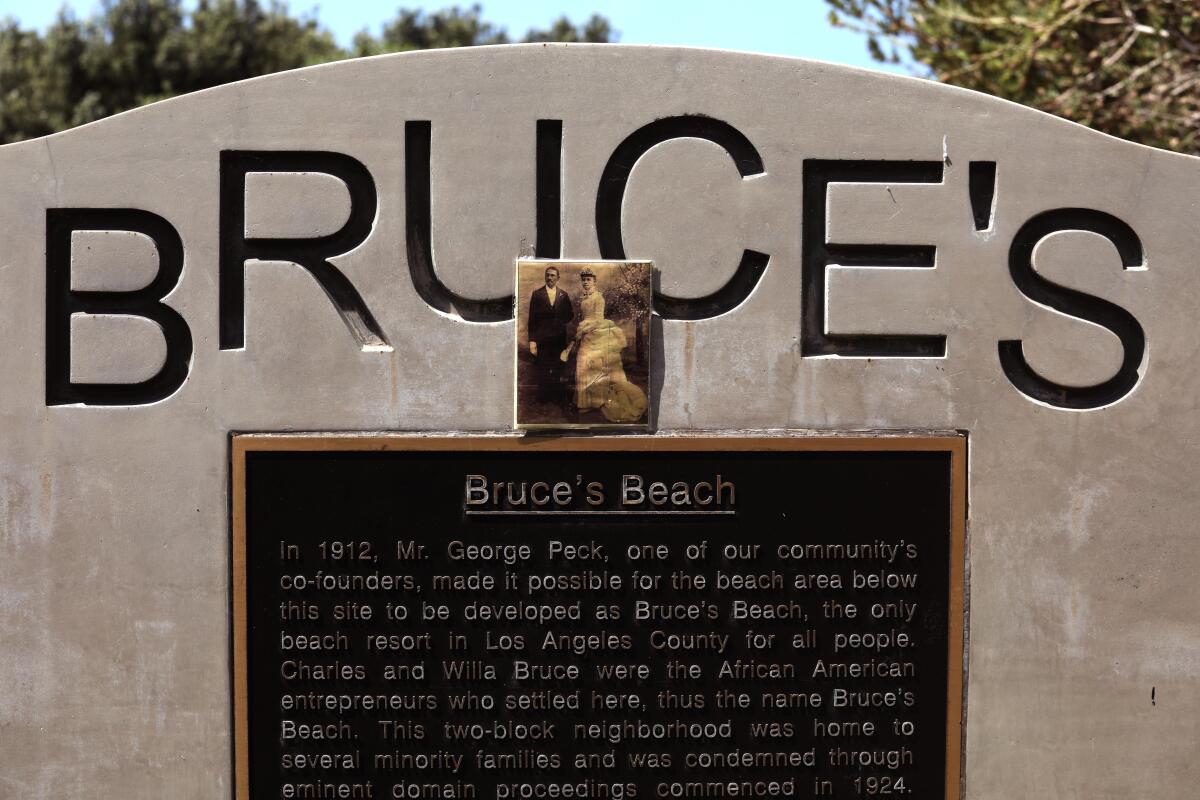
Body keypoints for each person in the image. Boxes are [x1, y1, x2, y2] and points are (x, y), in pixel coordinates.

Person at [562, 268, 630, 413]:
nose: (585, 282)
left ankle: (596, 402)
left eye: (588, 280)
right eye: (584, 280)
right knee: (583, 366)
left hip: (596, 334)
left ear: (594, 281)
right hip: (586, 335)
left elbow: (598, 320)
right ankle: (585, 403)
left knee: (594, 367)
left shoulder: (598, 298)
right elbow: (584, 318)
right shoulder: (584, 298)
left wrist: (582, 331)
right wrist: (581, 331)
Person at [526, 266, 574, 403]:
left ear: (558, 278)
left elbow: (570, 314)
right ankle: (544, 397)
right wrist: (532, 341)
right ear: (544, 277)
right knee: (544, 367)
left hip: (559, 338)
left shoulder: (563, 295)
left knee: (558, 366)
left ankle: (557, 397)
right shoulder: (537, 294)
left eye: (553, 275)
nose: (550, 278)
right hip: (542, 339)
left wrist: (560, 320)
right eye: (548, 275)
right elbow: (532, 319)